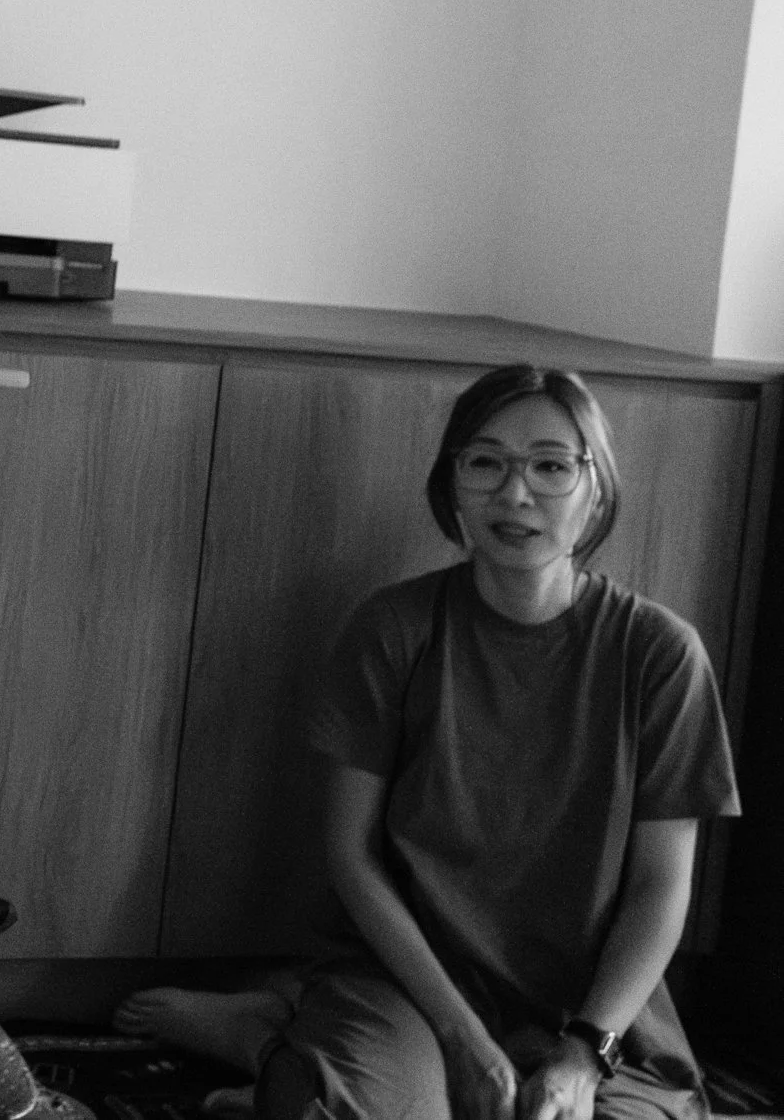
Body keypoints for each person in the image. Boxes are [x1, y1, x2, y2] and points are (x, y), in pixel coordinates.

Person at [116, 365, 738, 1120]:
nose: (515, 495)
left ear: (596, 488)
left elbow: (660, 888)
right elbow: (352, 854)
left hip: (589, 1004)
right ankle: (274, 1040)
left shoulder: (660, 653)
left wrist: (583, 1055)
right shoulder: (395, 629)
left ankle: (281, 1040)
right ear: (452, 487)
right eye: (485, 463)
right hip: (407, 980)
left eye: (550, 466)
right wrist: (461, 1034)